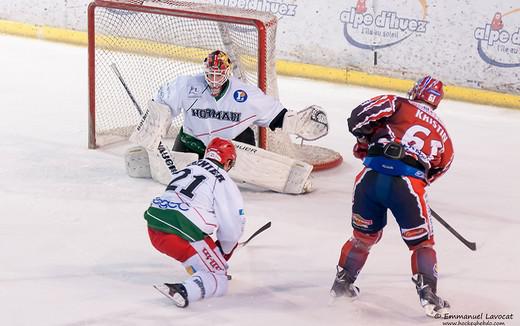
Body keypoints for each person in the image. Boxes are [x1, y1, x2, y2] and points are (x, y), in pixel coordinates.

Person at [330, 76, 454, 318]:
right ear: (437, 102)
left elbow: (358, 117)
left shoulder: (396, 104)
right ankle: (428, 296)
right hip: (408, 187)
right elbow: (437, 170)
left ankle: (342, 285)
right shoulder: (445, 139)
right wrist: (413, 180)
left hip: (369, 179)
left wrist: (365, 140)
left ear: (415, 90)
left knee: (362, 238)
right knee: (422, 244)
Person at [154, 49, 326, 157]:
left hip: (230, 148)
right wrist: (154, 127)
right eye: (210, 74)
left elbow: (273, 113)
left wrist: (296, 123)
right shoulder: (186, 85)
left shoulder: (244, 95)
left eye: (218, 75)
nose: (214, 80)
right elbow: (161, 104)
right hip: (191, 144)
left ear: (227, 73)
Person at [146, 137, 245, 308]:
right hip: (182, 231)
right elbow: (232, 226)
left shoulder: (189, 168)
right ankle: (185, 290)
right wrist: (225, 251)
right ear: (228, 161)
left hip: (155, 224)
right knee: (218, 276)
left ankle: (201, 269)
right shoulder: (223, 180)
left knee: (204, 256)